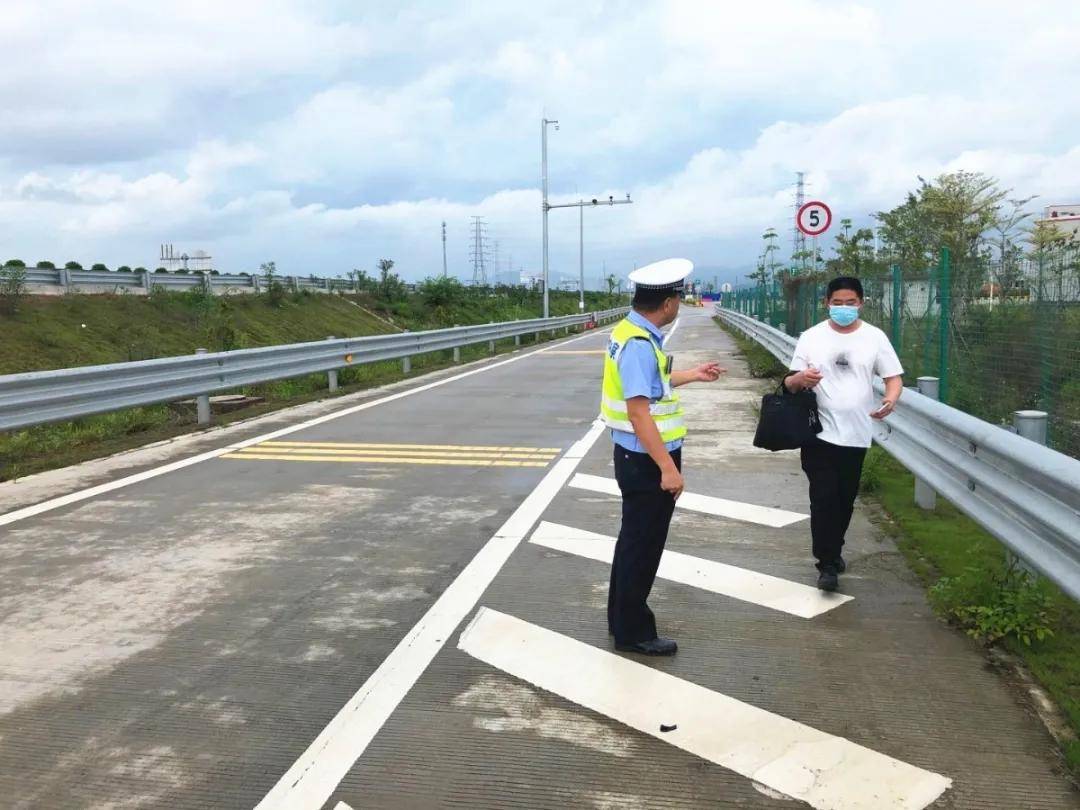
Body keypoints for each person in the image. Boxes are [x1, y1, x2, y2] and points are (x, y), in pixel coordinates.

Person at [600, 258, 725, 655]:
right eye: (678, 297)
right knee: (643, 545)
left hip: (636, 458)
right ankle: (634, 632)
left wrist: (693, 374)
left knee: (632, 541)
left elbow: (654, 383)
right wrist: (668, 469)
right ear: (669, 303)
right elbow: (639, 411)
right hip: (647, 462)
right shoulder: (639, 344)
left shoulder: (631, 331)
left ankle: (621, 619)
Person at [785, 276, 904, 592]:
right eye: (837, 303)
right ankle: (826, 564)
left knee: (844, 500)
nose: (843, 308)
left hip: (857, 434)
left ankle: (833, 549)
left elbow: (893, 378)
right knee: (823, 498)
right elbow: (789, 382)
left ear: (861, 303)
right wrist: (802, 379)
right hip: (818, 434)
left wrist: (891, 398)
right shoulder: (811, 337)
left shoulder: (874, 338)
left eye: (850, 303)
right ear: (826, 303)